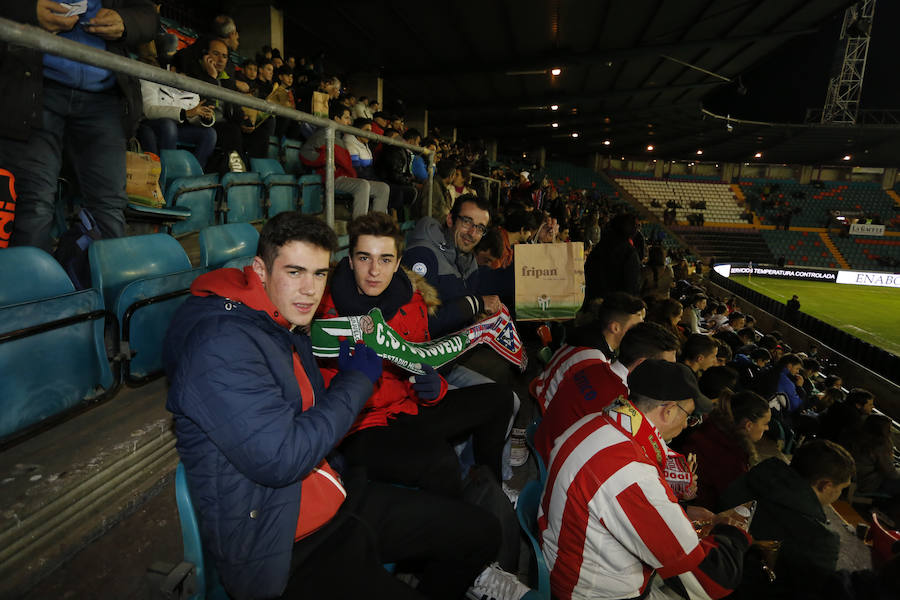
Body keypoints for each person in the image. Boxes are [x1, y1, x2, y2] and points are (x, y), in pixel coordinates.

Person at [164, 212, 502, 600]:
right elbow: (282, 458)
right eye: (295, 271)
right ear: (259, 270)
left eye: (320, 274)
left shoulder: (281, 321)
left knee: (481, 532)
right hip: (284, 546)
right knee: (436, 466)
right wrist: (357, 378)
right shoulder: (218, 345)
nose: (309, 289)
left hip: (339, 496)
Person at [314, 213, 514, 497]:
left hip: (407, 408)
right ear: (349, 260)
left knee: (500, 398)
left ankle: (488, 490)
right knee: (440, 461)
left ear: (397, 263)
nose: (374, 271)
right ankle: (454, 523)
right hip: (360, 426)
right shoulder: (324, 312)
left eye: (384, 259)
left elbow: (422, 360)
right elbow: (320, 397)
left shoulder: (412, 300)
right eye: (363, 258)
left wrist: (434, 388)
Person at [540, 359, 752, 600]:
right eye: (689, 416)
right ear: (669, 410)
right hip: (588, 591)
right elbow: (713, 580)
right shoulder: (632, 473)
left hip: (562, 560)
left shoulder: (592, 422)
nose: (686, 426)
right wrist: (733, 531)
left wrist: (682, 510)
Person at [0, 0, 158, 251]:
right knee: (34, 200)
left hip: (103, 99)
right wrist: (28, 11)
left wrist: (125, 22)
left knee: (110, 204)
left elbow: (149, 16)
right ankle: (30, 287)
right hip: (34, 91)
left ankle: (106, 285)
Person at [721, 440, 855, 599]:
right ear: (825, 485)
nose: (839, 495)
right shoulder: (820, 539)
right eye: (840, 489)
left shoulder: (756, 478)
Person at [532, 295, 652, 462]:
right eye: (637, 326)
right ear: (615, 327)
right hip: (548, 421)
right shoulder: (593, 360)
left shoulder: (590, 336)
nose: (642, 331)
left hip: (545, 403)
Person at [402, 194, 501, 337]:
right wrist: (475, 304)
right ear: (450, 220)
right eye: (467, 222)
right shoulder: (422, 254)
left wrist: (475, 317)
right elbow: (419, 325)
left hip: (453, 349)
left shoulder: (468, 259)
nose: (472, 233)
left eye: (480, 228)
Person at [681, 391, 771, 510]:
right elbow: (734, 503)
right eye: (765, 423)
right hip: (698, 513)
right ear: (749, 425)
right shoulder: (732, 457)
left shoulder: (711, 426)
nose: (767, 428)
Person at [300, 103, 389, 217]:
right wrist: (327, 160)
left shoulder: (339, 137)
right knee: (362, 185)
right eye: (346, 118)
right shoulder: (323, 134)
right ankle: (360, 227)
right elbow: (305, 153)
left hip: (345, 177)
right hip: (332, 178)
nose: (349, 122)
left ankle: (378, 226)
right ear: (336, 119)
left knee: (383, 188)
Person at [581, 213, 642, 308]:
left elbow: (588, 271)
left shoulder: (600, 247)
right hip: (615, 307)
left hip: (593, 302)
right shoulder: (629, 253)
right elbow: (632, 285)